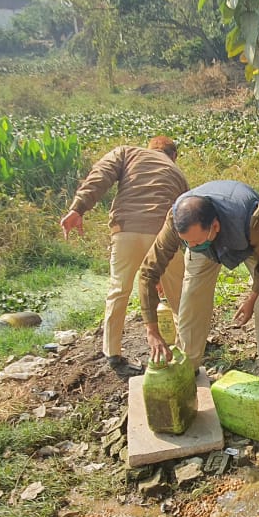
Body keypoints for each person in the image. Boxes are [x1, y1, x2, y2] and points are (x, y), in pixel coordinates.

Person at [137, 180, 259, 402]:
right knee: (191, 301)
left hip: (247, 241)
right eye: (187, 243)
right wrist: (152, 330)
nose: (191, 247)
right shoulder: (177, 223)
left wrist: (252, 297)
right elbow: (148, 272)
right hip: (209, 245)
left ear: (215, 226)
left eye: (195, 241)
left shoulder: (250, 219)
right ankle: (188, 367)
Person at [61, 136, 189, 377]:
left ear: (149, 148)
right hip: (164, 234)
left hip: (126, 231)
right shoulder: (176, 172)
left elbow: (100, 176)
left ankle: (113, 353)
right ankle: (187, 348)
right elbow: (187, 211)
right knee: (179, 295)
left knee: (118, 291)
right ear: (173, 155)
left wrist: (78, 208)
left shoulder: (127, 153)